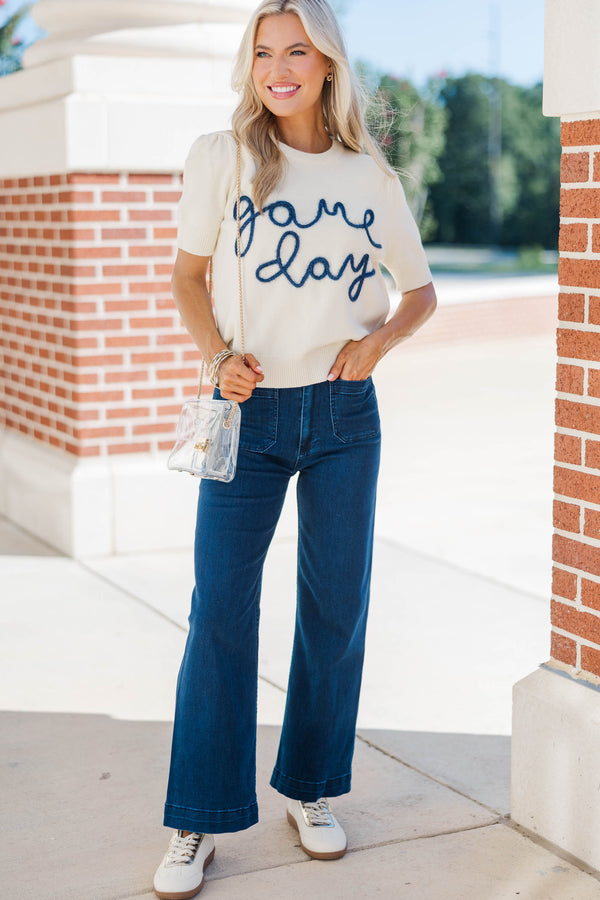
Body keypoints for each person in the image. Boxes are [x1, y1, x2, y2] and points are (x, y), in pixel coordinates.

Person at [153, 0, 436, 896]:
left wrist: (375, 345)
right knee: (221, 617)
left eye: (297, 51)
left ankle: (310, 789)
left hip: (344, 417)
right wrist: (217, 357)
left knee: (334, 610)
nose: (279, 67)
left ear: (326, 66)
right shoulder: (222, 159)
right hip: (249, 413)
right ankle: (199, 815)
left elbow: (420, 294)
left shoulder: (368, 176)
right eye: (264, 52)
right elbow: (188, 277)